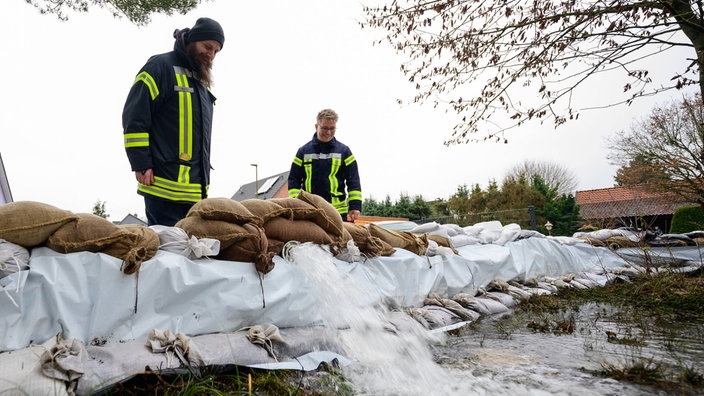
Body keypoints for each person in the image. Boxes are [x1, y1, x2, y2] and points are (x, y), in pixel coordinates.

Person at [122, 17, 225, 226]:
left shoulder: (200, 82)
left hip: (195, 193)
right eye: (207, 46)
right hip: (162, 188)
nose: (211, 54)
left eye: (216, 51)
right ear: (192, 40)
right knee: (168, 254)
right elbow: (135, 116)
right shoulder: (159, 66)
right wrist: (140, 162)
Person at [288, 109, 362, 222]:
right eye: (325, 128)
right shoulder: (303, 151)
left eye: (332, 129)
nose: (328, 132)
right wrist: (295, 203)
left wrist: (355, 206)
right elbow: (294, 179)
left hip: (337, 212)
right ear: (316, 126)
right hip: (310, 211)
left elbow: (353, 180)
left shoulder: (344, 151)